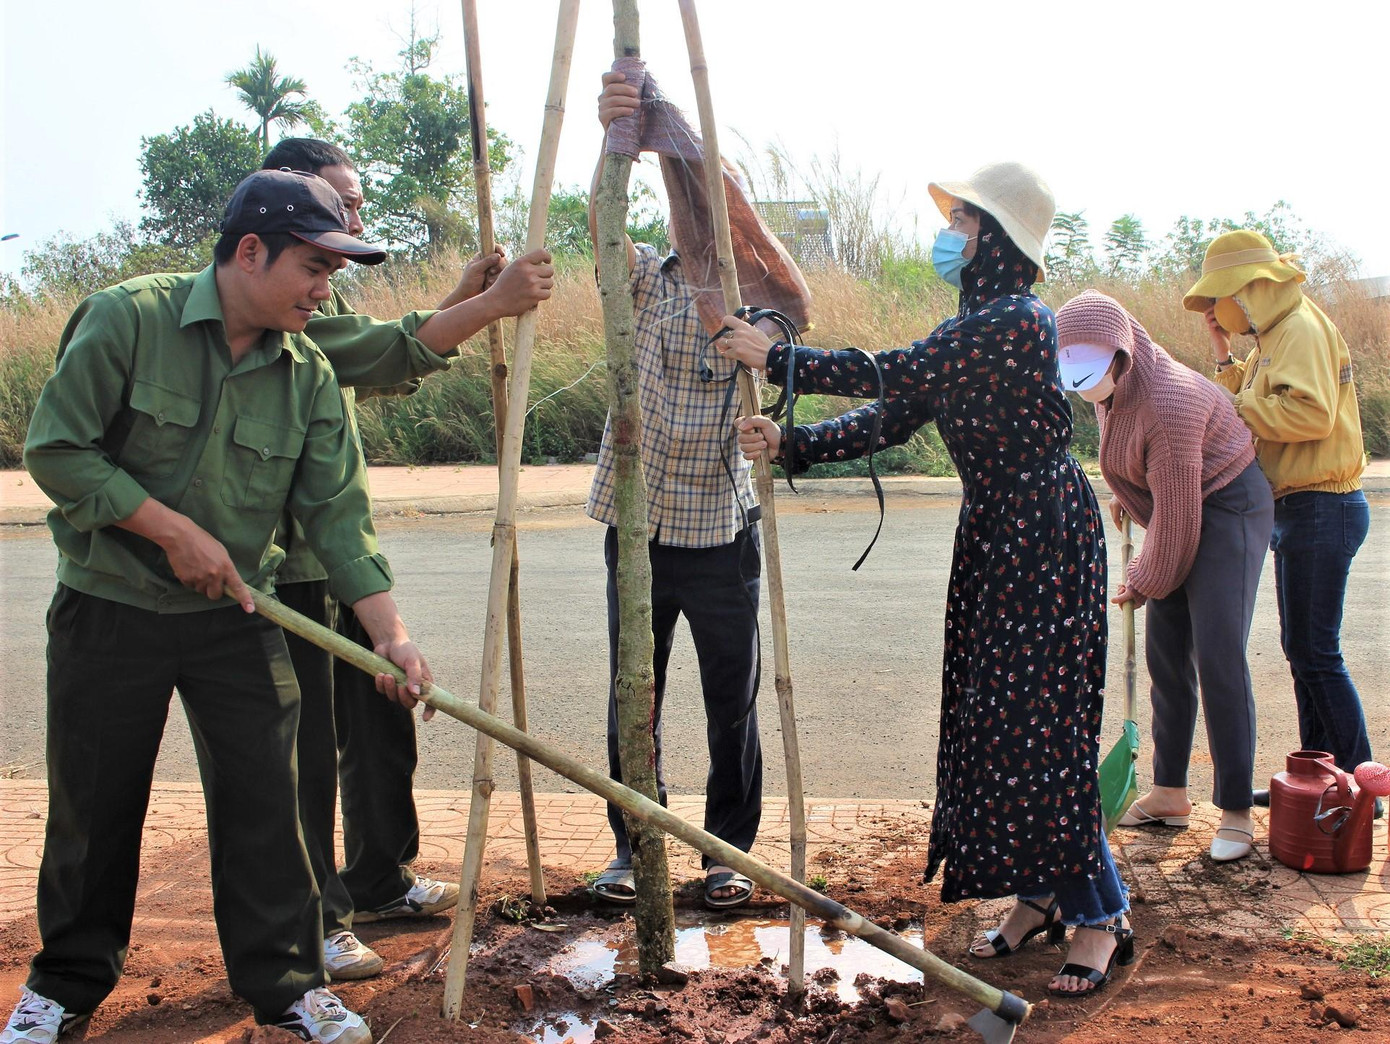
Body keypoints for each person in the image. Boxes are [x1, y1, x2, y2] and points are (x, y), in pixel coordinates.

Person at [5, 169, 429, 1044]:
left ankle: (286, 986)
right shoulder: (127, 319)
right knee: (95, 801)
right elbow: (56, 450)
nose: (326, 290)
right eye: (314, 267)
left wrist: (391, 634)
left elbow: (338, 520)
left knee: (270, 805)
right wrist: (169, 532)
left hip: (238, 616)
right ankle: (66, 985)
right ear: (248, 253)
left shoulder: (308, 375)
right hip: (109, 608)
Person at [721, 163, 1133, 996]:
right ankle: (1042, 896)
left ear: (998, 243)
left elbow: (894, 369)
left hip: (1044, 538)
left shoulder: (1019, 321)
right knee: (1000, 725)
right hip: (998, 534)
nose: (952, 236)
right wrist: (794, 444)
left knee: (1039, 729)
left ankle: (1102, 916)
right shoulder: (978, 322)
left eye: (966, 223)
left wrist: (778, 356)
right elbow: (892, 412)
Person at [259, 138, 555, 980]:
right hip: (289, 573)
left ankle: (380, 876)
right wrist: (489, 305)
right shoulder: (274, 316)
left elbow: (382, 346)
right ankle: (313, 919)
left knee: (383, 721)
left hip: (343, 563)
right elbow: (388, 351)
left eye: (356, 206)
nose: (354, 222)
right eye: (339, 205)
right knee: (306, 755)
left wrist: (465, 300)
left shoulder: (311, 309)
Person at [585, 66, 810, 909]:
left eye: (731, 222)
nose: (720, 236)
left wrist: (756, 341)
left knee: (731, 697)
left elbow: (792, 333)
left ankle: (726, 851)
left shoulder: (764, 309)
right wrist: (614, 142)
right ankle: (631, 846)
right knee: (632, 695)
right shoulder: (648, 277)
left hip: (723, 530)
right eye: (703, 214)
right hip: (639, 525)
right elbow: (601, 230)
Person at [1055, 290, 1274, 862]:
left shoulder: (1170, 401)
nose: (1082, 390)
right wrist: (1128, 491)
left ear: (1121, 354)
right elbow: (1127, 451)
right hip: (1181, 500)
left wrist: (1141, 578)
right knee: (1166, 654)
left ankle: (1234, 814)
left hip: (1229, 505)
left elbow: (1176, 530)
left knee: (1217, 653)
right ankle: (1171, 794)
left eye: (1087, 376)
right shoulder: (1107, 382)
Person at [1185, 231, 1377, 815]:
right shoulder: (1276, 333)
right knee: (1304, 651)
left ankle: (1360, 790)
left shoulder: (1299, 328)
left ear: (1251, 289)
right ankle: (1319, 779)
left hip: (1323, 504)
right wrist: (1224, 358)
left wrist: (1228, 408)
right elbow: (1255, 393)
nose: (1220, 310)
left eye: (1223, 299)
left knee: (1316, 652)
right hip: (1302, 508)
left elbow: (1309, 412)